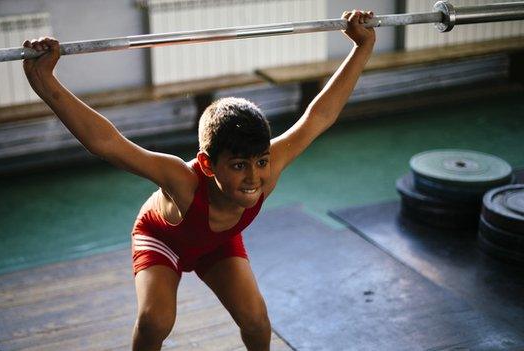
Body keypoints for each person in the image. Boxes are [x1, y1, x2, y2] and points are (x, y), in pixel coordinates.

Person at [23, 9, 375, 351]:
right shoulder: (181, 180)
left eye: (260, 162)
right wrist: (44, 81)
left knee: (256, 321)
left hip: (217, 242)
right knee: (155, 322)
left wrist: (362, 47)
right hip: (163, 239)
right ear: (207, 164)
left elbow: (319, 116)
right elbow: (107, 145)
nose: (254, 177)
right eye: (239, 166)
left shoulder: (270, 165)